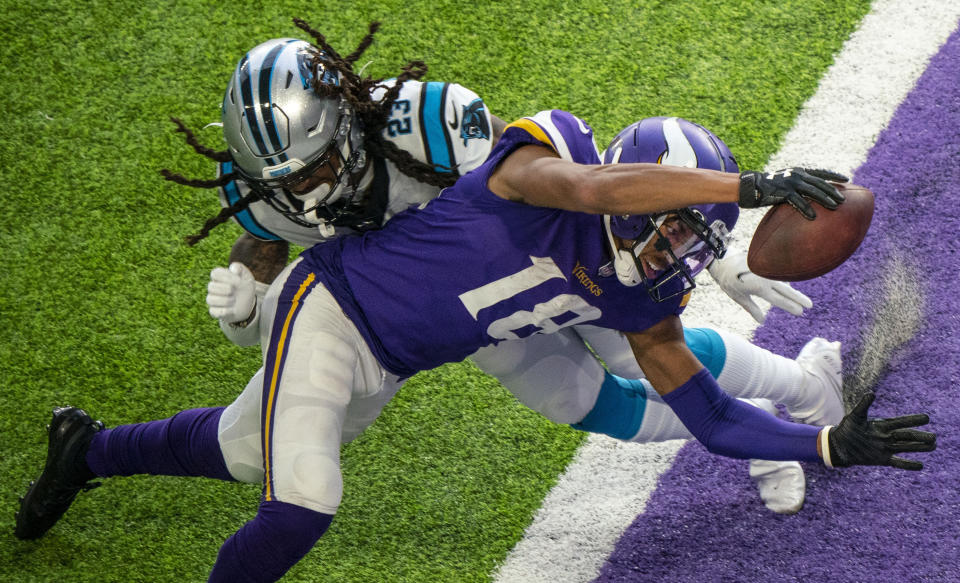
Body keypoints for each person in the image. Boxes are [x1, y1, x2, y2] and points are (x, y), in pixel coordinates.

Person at [14, 108, 936, 582]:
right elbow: (590, 188)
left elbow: (714, 416)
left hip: (391, 355)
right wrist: (745, 187)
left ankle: (86, 447)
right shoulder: (542, 168)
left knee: (238, 448)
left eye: (691, 230)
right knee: (302, 502)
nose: (682, 248)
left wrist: (822, 443)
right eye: (677, 223)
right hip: (331, 309)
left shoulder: (642, 286)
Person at [165, 20, 834, 513]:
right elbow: (267, 311)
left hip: (549, 251)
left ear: (342, 122)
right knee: (579, 401)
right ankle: (760, 427)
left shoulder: (429, 121)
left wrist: (692, 250)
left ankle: (801, 388)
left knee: (641, 352)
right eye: (281, 179)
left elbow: (565, 184)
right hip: (444, 311)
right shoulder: (264, 197)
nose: (304, 190)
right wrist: (243, 316)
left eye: (313, 166)